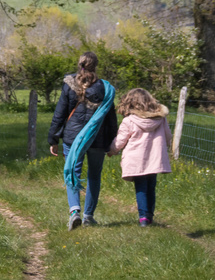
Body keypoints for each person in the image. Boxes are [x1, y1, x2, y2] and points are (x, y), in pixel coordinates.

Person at [48, 51, 118, 230]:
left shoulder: (69, 85)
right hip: (97, 137)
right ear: (96, 66)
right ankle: (88, 216)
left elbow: (60, 113)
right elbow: (110, 118)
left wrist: (53, 139)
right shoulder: (105, 88)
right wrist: (112, 141)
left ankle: (74, 212)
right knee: (94, 175)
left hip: (73, 138)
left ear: (80, 64)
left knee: (72, 172)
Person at [107, 88, 173, 227]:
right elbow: (168, 136)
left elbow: (120, 140)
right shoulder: (160, 119)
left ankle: (143, 217)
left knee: (141, 187)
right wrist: (167, 146)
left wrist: (112, 150)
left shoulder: (129, 121)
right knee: (151, 187)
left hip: (136, 160)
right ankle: (149, 216)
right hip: (155, 158)